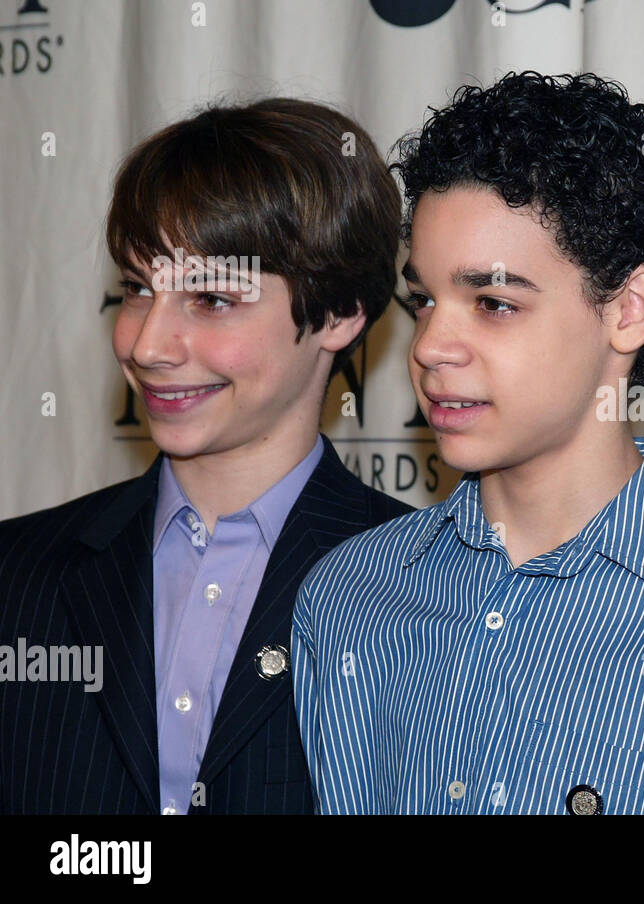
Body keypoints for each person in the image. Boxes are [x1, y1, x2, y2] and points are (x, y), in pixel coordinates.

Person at [291, 71, 644, 814]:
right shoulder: (351, 599)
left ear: (630, 309)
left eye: (495, 303)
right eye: (423, 301)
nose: (433, 345)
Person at [0, 98, 412, 814]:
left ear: (341, 312)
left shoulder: (426, 591)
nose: (147, 344)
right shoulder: (17, 575)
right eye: (137, 289)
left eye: (212, 299)